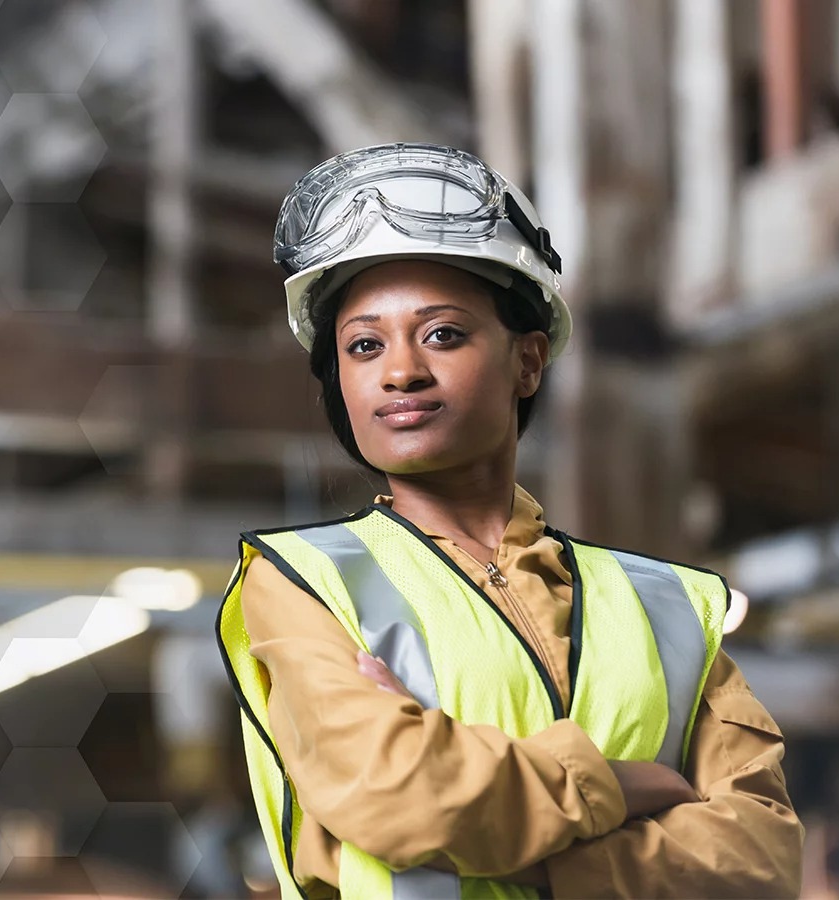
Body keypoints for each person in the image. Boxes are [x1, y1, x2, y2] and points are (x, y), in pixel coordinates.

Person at [215, 144, 803, 899]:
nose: (400, 372)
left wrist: (531, 862)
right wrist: (620, 787)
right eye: (364, 346)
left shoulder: (669, 607)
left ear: (527, 361)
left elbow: (761, 858)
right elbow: (400, 795)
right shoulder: (306, 583)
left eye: (442, 335)